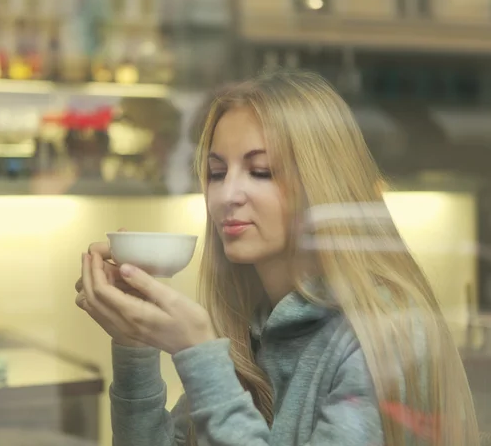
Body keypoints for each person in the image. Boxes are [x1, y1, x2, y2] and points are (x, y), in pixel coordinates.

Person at [74, 69, 480, 446]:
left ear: (322, 184)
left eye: (262, 171)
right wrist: (134, 346)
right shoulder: (252, 327)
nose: (226, 195)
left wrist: (196, 353)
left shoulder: (386, 333)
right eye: (217, 173)